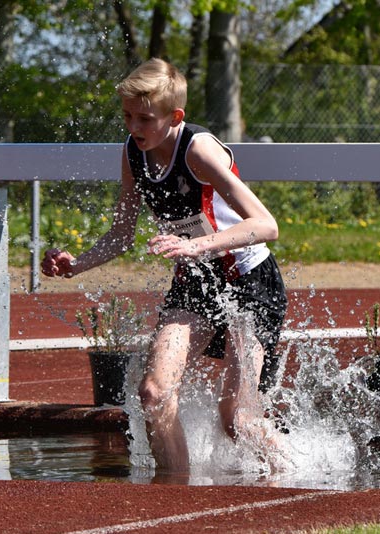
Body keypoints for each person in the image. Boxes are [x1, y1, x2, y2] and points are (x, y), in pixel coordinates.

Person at [41, 58, 287, 473]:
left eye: (144, 118)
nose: (133, 127)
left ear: (175, 117)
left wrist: (198, 246)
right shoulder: (132, 154)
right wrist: (75, 264)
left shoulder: (199, 150)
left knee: (238, 421)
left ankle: (296, 476)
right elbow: (121, 234)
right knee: (153, 393)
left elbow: (266, 224)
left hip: (249, 283)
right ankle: (173, 496)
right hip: (195, 282)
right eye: (126, 116)